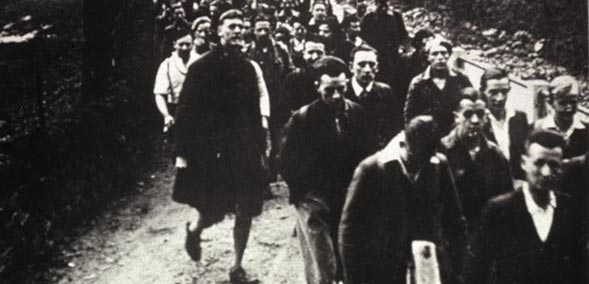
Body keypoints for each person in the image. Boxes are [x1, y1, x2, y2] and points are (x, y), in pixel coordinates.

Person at [173, 10, 268, 283]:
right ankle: (194, 230)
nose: (238, 31)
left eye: (242, 27)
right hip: (213, 151)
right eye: (232, 27)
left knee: (245, 207)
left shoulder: (248, 68)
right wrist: (182, 152)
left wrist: (261, 147)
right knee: (211, 206)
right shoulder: (201, 67)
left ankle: (237, 266)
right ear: (219, 31)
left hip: (245, 149)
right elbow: (185, 112)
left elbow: (253, 111)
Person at [339, 115, 467, 284]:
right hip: (382, 269)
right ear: (402, 144)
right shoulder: (370, 170)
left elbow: (455, 219)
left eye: (425, 161)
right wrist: (353, 279)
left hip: (426, 265)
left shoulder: (437, 165)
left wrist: (457, 270)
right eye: (414, 160)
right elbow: (350, 230)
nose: (419, 167)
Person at [280, 56, 369, 284]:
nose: (336, 96)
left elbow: (366, 155)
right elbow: (286, 163)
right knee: (322, 264)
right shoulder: (302, 118)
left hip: (347, 197)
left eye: (341, 89)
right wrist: (304, 195)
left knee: (348, 261)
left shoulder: (357, 113)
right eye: (329, 90)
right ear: (317, 87)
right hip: (314, 200)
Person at [464, 129, 585, 284]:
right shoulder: (499, 210)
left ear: (561, 167)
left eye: (553, 165)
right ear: (524, 163)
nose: (546, 172)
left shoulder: (571, 209)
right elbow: (475, 271)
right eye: (539, 163)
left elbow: (580, 269)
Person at [440, 88, 513, 231]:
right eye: (468, 114)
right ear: (456, 117)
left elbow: (506, 200)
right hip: (450, 232)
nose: (474, 120)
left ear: (486, 117)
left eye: (479, 114)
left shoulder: (496, 155)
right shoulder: (441, 150)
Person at [245, 13, 294, 182]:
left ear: (272, 30)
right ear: (253, 31)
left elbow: (289, 73)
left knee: (278, 143)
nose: (264, 33)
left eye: (267, 29)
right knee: (257, 142)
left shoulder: (281, 50)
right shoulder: (246, 52)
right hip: (255, 102)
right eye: (260, 29)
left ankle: (273, 171)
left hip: (278, 103)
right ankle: (262, 176)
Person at [404, 38, 472, 136]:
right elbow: (409, 115)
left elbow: (472, 102)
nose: (440, 57)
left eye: (444, 53)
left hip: (455, 134)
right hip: (428, 136)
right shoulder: (419, 82)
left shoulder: (461, 79)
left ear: (449, 55)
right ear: (428, 57)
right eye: (435, 54)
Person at [344, 44, 403, 152]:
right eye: (361, 65)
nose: (367, 69)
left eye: (372, 65)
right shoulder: (342, 92)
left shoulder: (385, 92)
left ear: (377, 68)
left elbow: (394, 128)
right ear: (351, 67)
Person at [480, 67, 529, 180]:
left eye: (504, 92)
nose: (500, 98)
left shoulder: (520, 118)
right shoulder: (478, 120)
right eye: (493, 92)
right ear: (483, 91)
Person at [533, 75, 587, 167]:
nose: (569, 108)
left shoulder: (586, 131)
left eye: (573, 102)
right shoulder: (538, 129)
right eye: (563, 103)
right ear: (551, 102)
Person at [153, 32, 196, 133]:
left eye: (188, 44)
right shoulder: (167, 64)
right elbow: (159, 93)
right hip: (176, 111)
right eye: (181, 44)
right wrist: (166, 115)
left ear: (192, 44)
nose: (184, 48)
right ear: (174, 44)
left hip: (197, 110)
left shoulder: (200, 61)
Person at [359, 0, 408, 86]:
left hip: (392, 56)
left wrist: (400, 47)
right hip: (376, 56)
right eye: (379, 4)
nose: (382, 7)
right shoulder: (369, 18)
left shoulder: (396, 16)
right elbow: (362, 36)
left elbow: (403, 35)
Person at [284, 37, 326, 112]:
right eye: (311, 52)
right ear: (304, 54)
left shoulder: (330, 77)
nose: (315, 56)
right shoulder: (293, 78)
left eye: (319, 53)